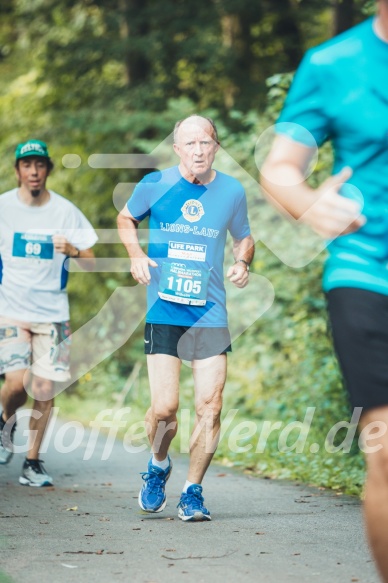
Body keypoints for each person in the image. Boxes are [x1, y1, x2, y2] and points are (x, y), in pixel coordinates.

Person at [261, 2, 388, 581]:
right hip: (366, 273)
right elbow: (281, 166)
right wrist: (310, 202)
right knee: (385, 450)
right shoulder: (332, 63)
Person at [117, 115, 254, 521]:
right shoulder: (154, 185)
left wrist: (242, 261)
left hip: (210, 314)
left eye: (206, 142)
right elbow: (126, 219)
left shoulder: (231, 190)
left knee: (210, 407)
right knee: (164, 409)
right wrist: (136, 255)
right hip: (165, 309)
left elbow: (243, 234)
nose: (198, 150)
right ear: (177, 149)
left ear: (216, 147)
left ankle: (193, 491)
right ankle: (159, 464)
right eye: (190, 143)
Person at [0, 140, 98, 487]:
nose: (33, 171)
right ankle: (4, 420)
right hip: (10, 309)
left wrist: (72, 250)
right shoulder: (3, 208)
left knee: (43, 387)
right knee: (16, 383)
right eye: (27, 165)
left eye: (40, 165)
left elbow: (91, 259)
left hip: (53, 313)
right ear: (18, 171)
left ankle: (32, 462)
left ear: (48, 170)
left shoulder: (65, 211)